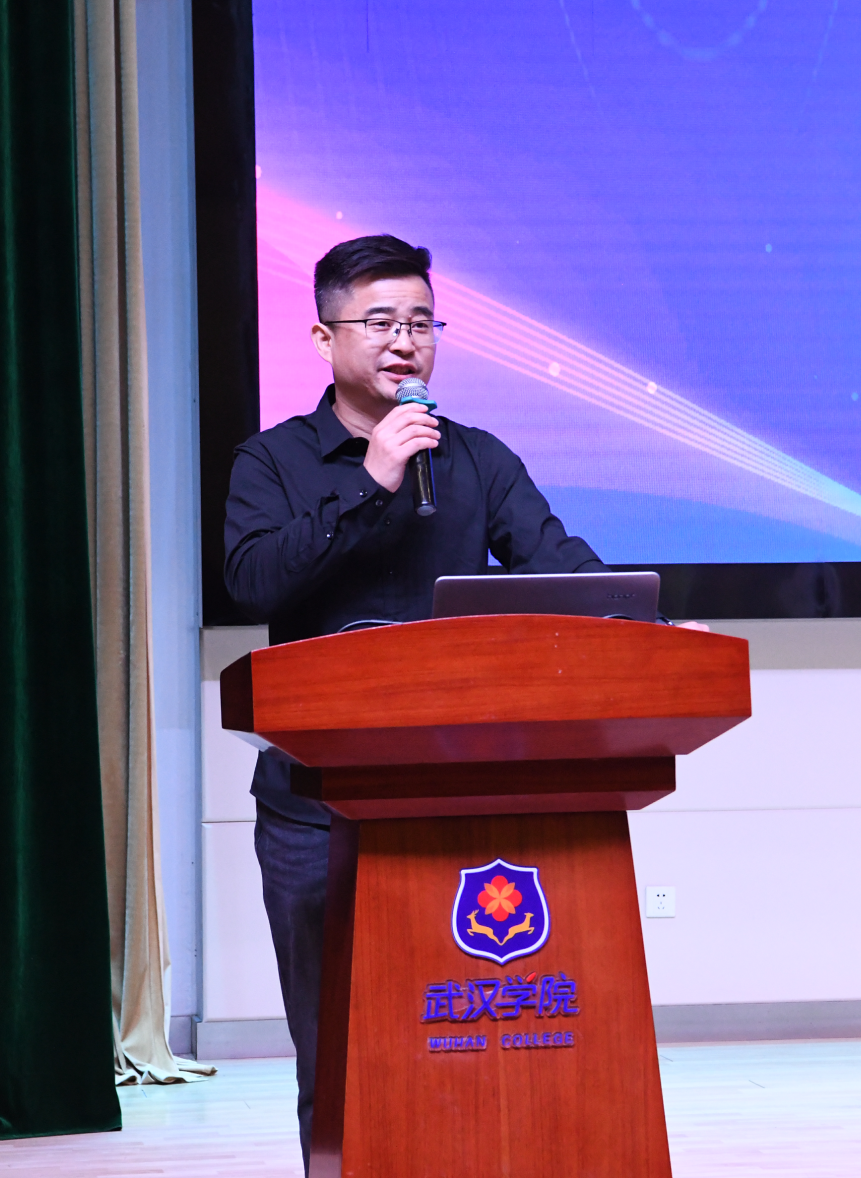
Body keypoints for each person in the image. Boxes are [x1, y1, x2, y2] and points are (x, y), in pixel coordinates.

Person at [223, 234, 605, 1170]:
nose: (406, 341)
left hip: (461, 797)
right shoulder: (272, 461)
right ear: (324, 337)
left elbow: (564, 571)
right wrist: (371, 480)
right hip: (315, 806)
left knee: (471, 1033)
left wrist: (649, 623)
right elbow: (254, 580)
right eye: (382, 322)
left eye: (422, 323)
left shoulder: (476, 459)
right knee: (339, 1046)